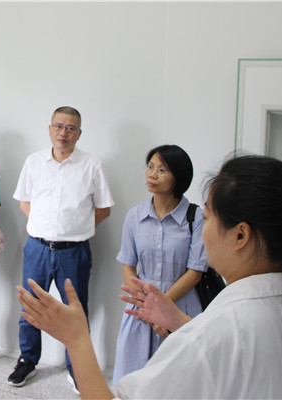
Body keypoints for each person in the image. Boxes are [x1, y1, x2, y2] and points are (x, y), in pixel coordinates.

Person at [16, 155, 282, 399]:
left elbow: (217, 345)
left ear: (240, 235)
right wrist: (179, 322)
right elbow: (234, 359)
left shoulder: (215, 333)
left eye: (208, 218)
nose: (202, 229)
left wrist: (77, 339)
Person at [8, 106, 114, 390]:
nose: (63, 132)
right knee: (30, 305)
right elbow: (25, 202)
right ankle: (27, 360)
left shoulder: (93, 166)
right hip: (37, 248)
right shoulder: (34, 162)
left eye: (70, 128)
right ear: (50, 129)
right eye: (58, 126)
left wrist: (76, 229)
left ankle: (77, 366)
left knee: (75, 311)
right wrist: (46, 228)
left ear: (79, 133)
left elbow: (104, 209)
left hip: (74, 252)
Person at [112, 145, 206, 385]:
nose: (152, 175)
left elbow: (195, 272)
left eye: (162, 170)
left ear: (179, 177)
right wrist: (147, 306)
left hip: (181, 307)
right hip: (141, 308)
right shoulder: (134, 216)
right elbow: (128, 266)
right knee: (133, 380)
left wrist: (161, 308)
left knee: (179, 382)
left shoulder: (197, 218)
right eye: (150, 167)